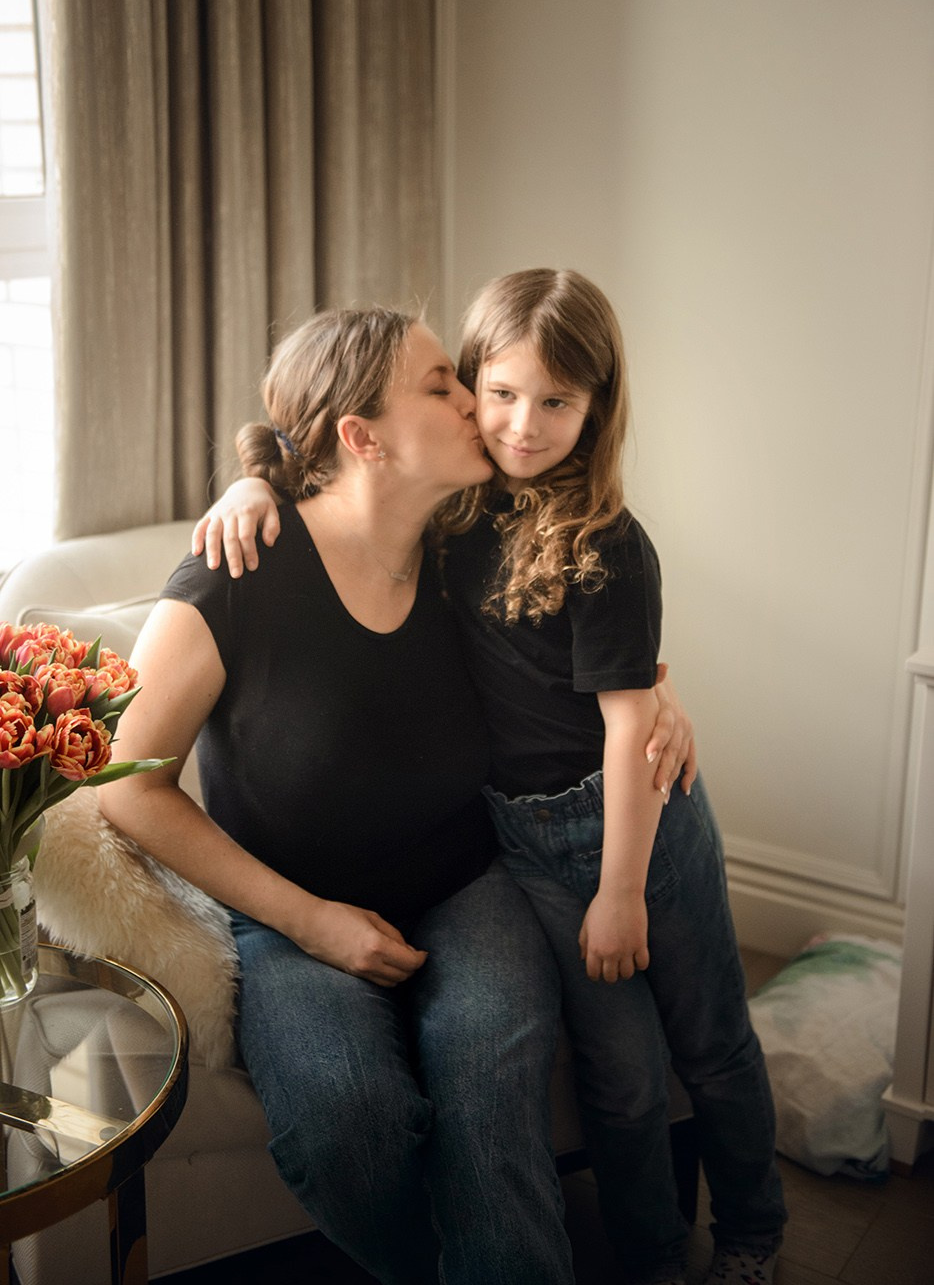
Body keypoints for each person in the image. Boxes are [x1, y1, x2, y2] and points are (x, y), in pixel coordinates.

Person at [198, 271, 787, 1285]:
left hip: (632, 817)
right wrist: (251, 479)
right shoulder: (452, 518)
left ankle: (751, 1234)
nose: (517, 423)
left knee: (711, 1038)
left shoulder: (604, 539)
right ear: (469, 387)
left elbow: (621, 714)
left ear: (597, 408)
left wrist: (621, 866)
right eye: (496, 393)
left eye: (556, 402)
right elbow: (317, 438)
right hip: (524, 840)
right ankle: (650, 1253)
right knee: (618, 1069)